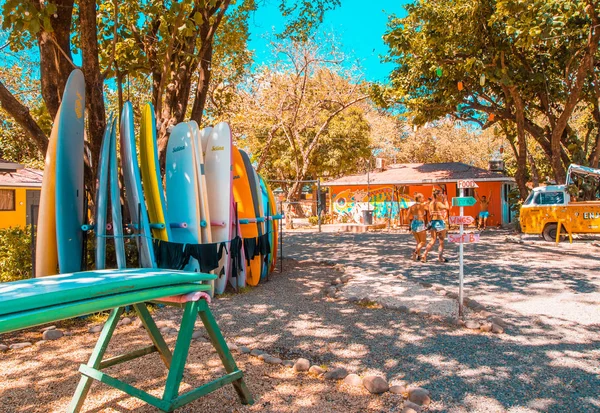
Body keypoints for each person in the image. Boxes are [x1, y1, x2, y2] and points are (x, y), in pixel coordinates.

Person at [422, 189, 449, 263]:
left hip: (433, 222)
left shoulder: (431, 203)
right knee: (441, 241)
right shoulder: (438, 203)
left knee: (432, 240)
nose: (442, 196)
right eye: (440, 194)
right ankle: (440, 257)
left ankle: (424, 254)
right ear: (437, 195)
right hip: (439, 222)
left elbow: (429, 212)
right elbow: (447, 207)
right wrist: (446, 200)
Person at [408, 193, 427, 261]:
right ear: (419, 198)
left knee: (418, 242)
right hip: (420, 223)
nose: (423, 199)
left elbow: (408, 216)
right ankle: (415, 252)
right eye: (422, 197)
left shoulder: (412, 206)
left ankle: (419, 255)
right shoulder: (422, 205)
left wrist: (409, 225)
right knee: (423, 242)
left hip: (413, 223)